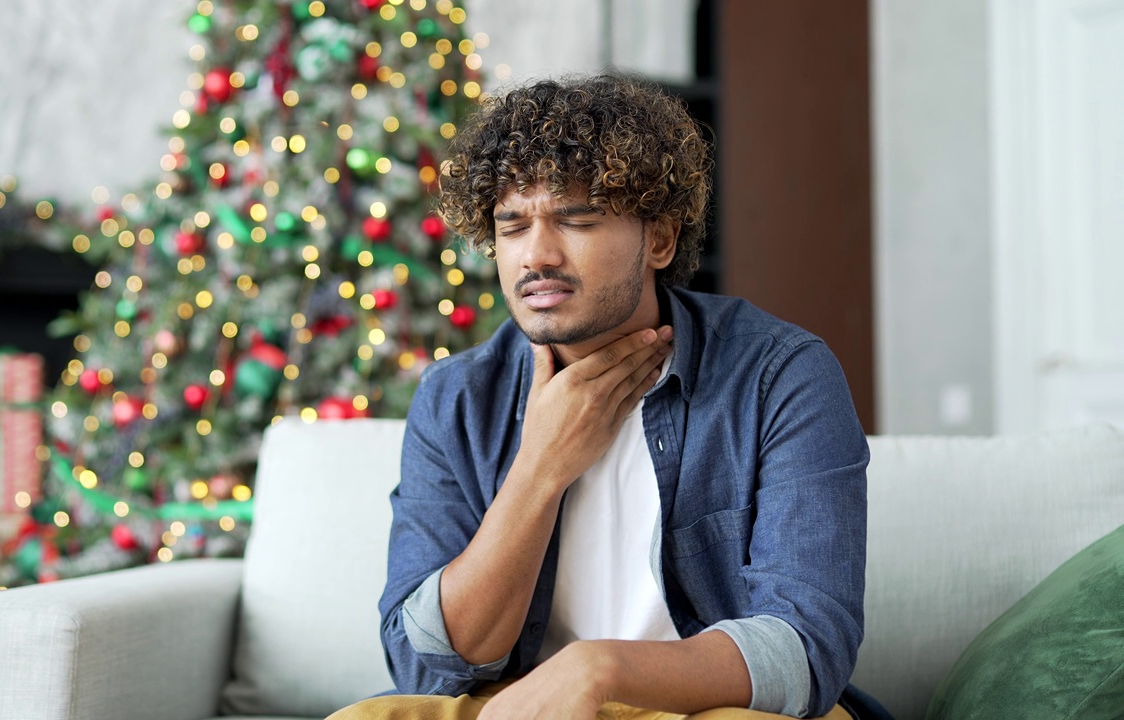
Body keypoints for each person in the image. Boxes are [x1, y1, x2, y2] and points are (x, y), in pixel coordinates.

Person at [329, 73, 889, 720]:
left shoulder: (777, 375)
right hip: (524, 708)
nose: (536, 255)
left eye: (577, 219)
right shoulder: (456, 398)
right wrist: (540, 467)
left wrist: (597, 668)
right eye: (512, 227)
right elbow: (425, 664)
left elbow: (806, 651)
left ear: (659, 239)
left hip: (706, 708)